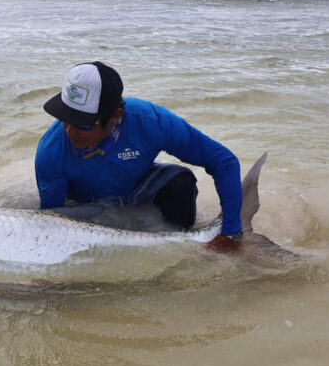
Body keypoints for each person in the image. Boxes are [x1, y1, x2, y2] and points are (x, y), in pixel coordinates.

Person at [35, 61, 242, 252]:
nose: (70, 131)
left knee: (181, 181)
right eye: (65, 119)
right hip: (87, 208)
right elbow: (53, 224)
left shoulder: (151, 122)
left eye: (83, 123)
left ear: (115, 116)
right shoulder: (50, 152)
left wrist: (231, 233)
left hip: (139, 190)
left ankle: (181, 248)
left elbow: (224, 162)